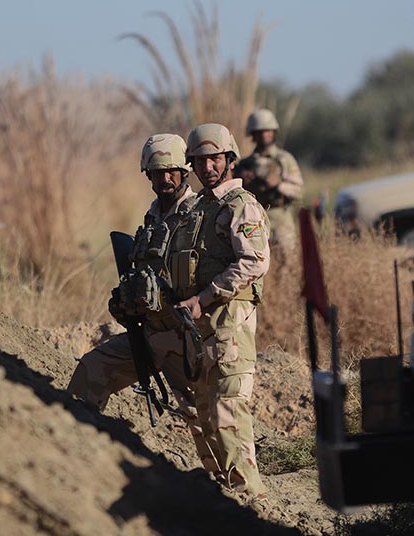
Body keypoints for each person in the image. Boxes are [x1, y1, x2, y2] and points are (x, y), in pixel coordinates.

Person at [66, 133, 221, 477]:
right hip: (148, 335)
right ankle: (72, 457)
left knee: (206, 424)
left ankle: (237, 498)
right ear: (147, 175)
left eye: (171, 172)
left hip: (185, 340)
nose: (164, 179)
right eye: (156, 172)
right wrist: (126, 299)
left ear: (184, 172)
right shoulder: (153, 219)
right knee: (92, 370)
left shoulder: (203, 216)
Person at [170, 123, 270, 497]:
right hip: (201, 325)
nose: (208, 167)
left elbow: (255, 262)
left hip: (230, 321)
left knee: (229, 413)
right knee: (205, 415)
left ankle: (252, 502)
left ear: (229, 160)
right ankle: (224, 500)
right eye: (199, 161)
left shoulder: (241, 206)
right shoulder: (200, 208)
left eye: (215, 159)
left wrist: (206, 296)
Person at [235, 108, 303, 265]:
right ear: (253, 134)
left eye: (268, 131)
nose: (264, 135)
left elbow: (299, 191)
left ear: (274, 132)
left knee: (287, 264)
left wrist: (278, 185)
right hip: (254, 218)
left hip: (280, 218)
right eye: (259, 131)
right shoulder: (245, 164)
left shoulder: (284, 159)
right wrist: (240, 179)